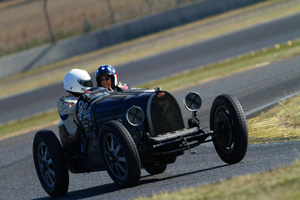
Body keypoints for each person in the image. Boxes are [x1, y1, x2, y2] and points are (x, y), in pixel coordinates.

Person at [57, 69, 93, 141]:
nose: (89, 86)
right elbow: (79, 107)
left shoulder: (89, 96)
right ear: (73, 85)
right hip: (79, 138)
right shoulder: (63, 101)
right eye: (86, 84)